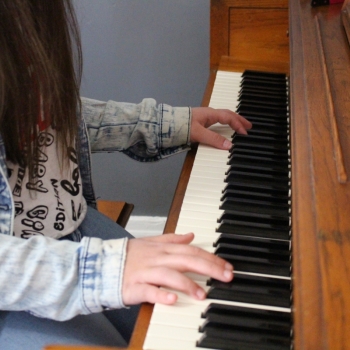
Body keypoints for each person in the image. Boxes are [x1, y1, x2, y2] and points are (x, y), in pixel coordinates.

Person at [0, 0, 252, 349]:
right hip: (12, 287)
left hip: (71, 227)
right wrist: (101, 272)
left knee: (192, 307)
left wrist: (160, 125)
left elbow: (49, 113)